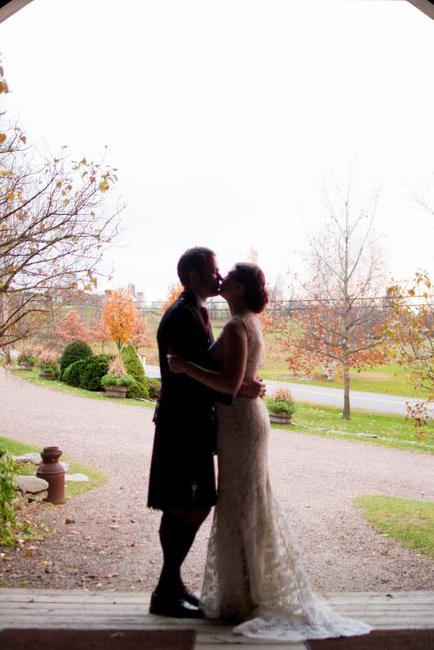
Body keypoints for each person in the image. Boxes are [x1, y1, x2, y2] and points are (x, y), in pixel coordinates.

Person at [168, 262, 372, 641]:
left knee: (243, 502)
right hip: (242, 421)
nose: (222, 279)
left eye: (229, 276)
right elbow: (237, 378)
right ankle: (246, 592)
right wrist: (240, 383)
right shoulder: (244, 323)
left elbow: (229, 382)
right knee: (246, 502)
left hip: (241, 426)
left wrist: (183, 367)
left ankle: (245, 597)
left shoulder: (235, 325)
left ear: (241, 288)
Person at [147, 247, 266, 618]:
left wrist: (237, 383)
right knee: (188, 505)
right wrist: (235, 387)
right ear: (194, 276)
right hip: (182, 425)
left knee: (189, 504)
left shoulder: (199, 310)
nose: (218, 277)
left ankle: (170, 586)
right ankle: (167, 589)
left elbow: (207, 368)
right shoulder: (182, 315)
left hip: (195, 424)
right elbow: (188, 377)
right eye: (213, 271)